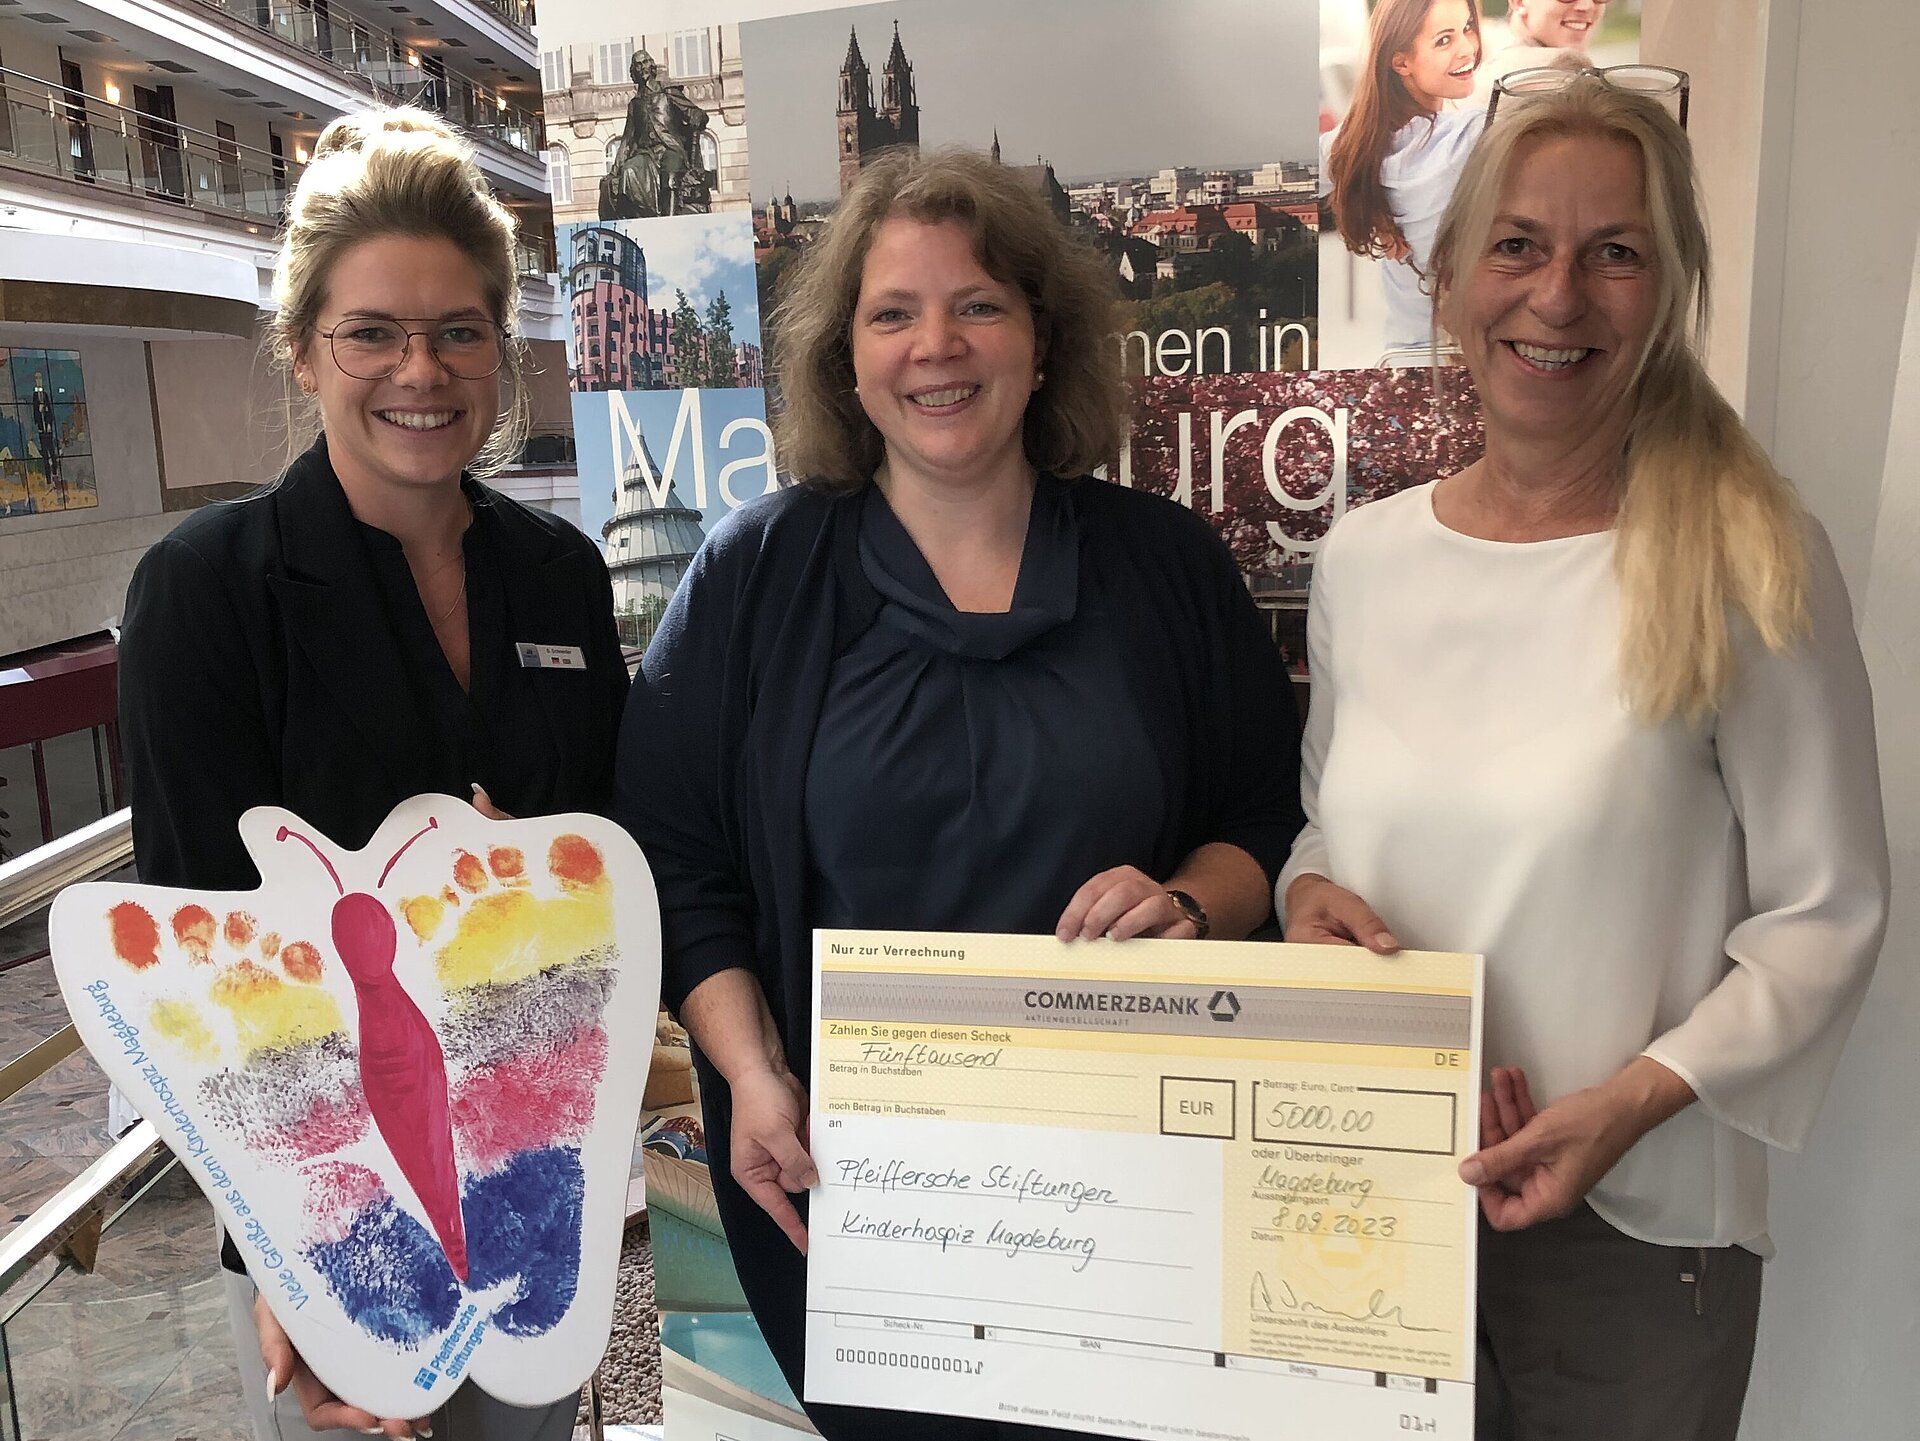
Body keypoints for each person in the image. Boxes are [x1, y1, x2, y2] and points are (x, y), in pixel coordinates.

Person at [617, 146, 1304, 1440]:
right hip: (863, 1196)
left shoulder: (1165, 567)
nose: (937, 345)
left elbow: (1270, 815)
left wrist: (1189, 903)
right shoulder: (754, 576)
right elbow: (678, 858)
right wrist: (750, 1070)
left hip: (1137, 1190)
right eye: (894, 312)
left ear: (1042, 341)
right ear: (848, 358)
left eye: (978, 304)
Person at [1280, 74, 1888, 1441]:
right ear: (1450, 278)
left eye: (1615, 252)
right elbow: (1325, 828)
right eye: (1519, 245)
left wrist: (1625, 1106)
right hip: (1364, 1209)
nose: (1558, 296)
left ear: (1666, 292)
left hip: (1632, 1238)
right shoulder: (1364, 560)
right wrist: (1306, 894)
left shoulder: (1748, 559)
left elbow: (1827, 913)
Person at [117, 107, 629, 1441]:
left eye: (459, 330)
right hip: (328, 1211)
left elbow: (606, 859)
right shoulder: (206, 594)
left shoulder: (559, 577)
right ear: (303, 349)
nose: (422, 370)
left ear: (500, 347)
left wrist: (534, 889)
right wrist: (298, 1257)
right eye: (372, 334)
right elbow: (204, 968)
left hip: (530, 1183)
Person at [1323, 0, 1485, 359]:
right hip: (1465, 360)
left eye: (1467, 28)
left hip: (1404, 359)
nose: (1467, 48)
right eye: (1444, 40)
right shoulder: (1469, 135)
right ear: (1401, 63)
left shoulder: (1351, 145)